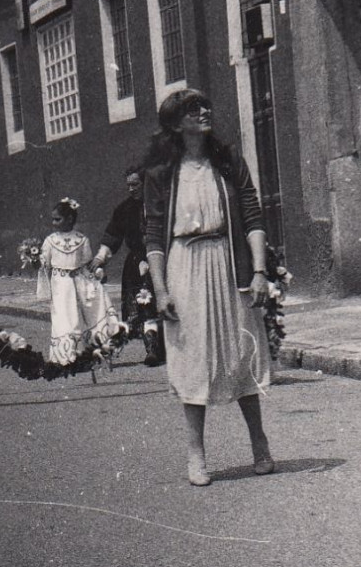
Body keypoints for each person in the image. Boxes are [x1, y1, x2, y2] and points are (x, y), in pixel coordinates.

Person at [143, 88, 273, 487]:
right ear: (175, 122)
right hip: (184, 265)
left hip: (228, 261)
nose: (203, 112)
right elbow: (152, 235)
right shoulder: (161, 172)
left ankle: (260, 443)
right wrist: (161, 290)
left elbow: (251, 213)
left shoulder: (228, 160)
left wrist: (260, 271)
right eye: (191, 110)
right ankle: (196, 453)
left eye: (204, 107)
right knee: (193, 359)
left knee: (242, 349)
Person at [92, 165, 163, 367]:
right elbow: (113, 235)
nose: (131, 189)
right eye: (128, 185)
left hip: (161, 260)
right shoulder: (124, 209)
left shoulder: (160, 204)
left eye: (135, 184)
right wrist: (100, 258)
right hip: (136, 265)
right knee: (144, 306)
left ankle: (167, 346)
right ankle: (152, 349)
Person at [37, 198, 121, 364]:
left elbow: (86, 264)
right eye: (53, 219)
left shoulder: (82, 240)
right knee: (63, 317)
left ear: (69, 219)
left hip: (79, 284)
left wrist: (96, 275)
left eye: (57, 219)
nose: (54, 223)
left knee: (81, 317)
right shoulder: (50, 241)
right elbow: (44, 262)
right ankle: (65, 355)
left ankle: (85, 351)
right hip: (60, 285)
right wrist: (36, 262)